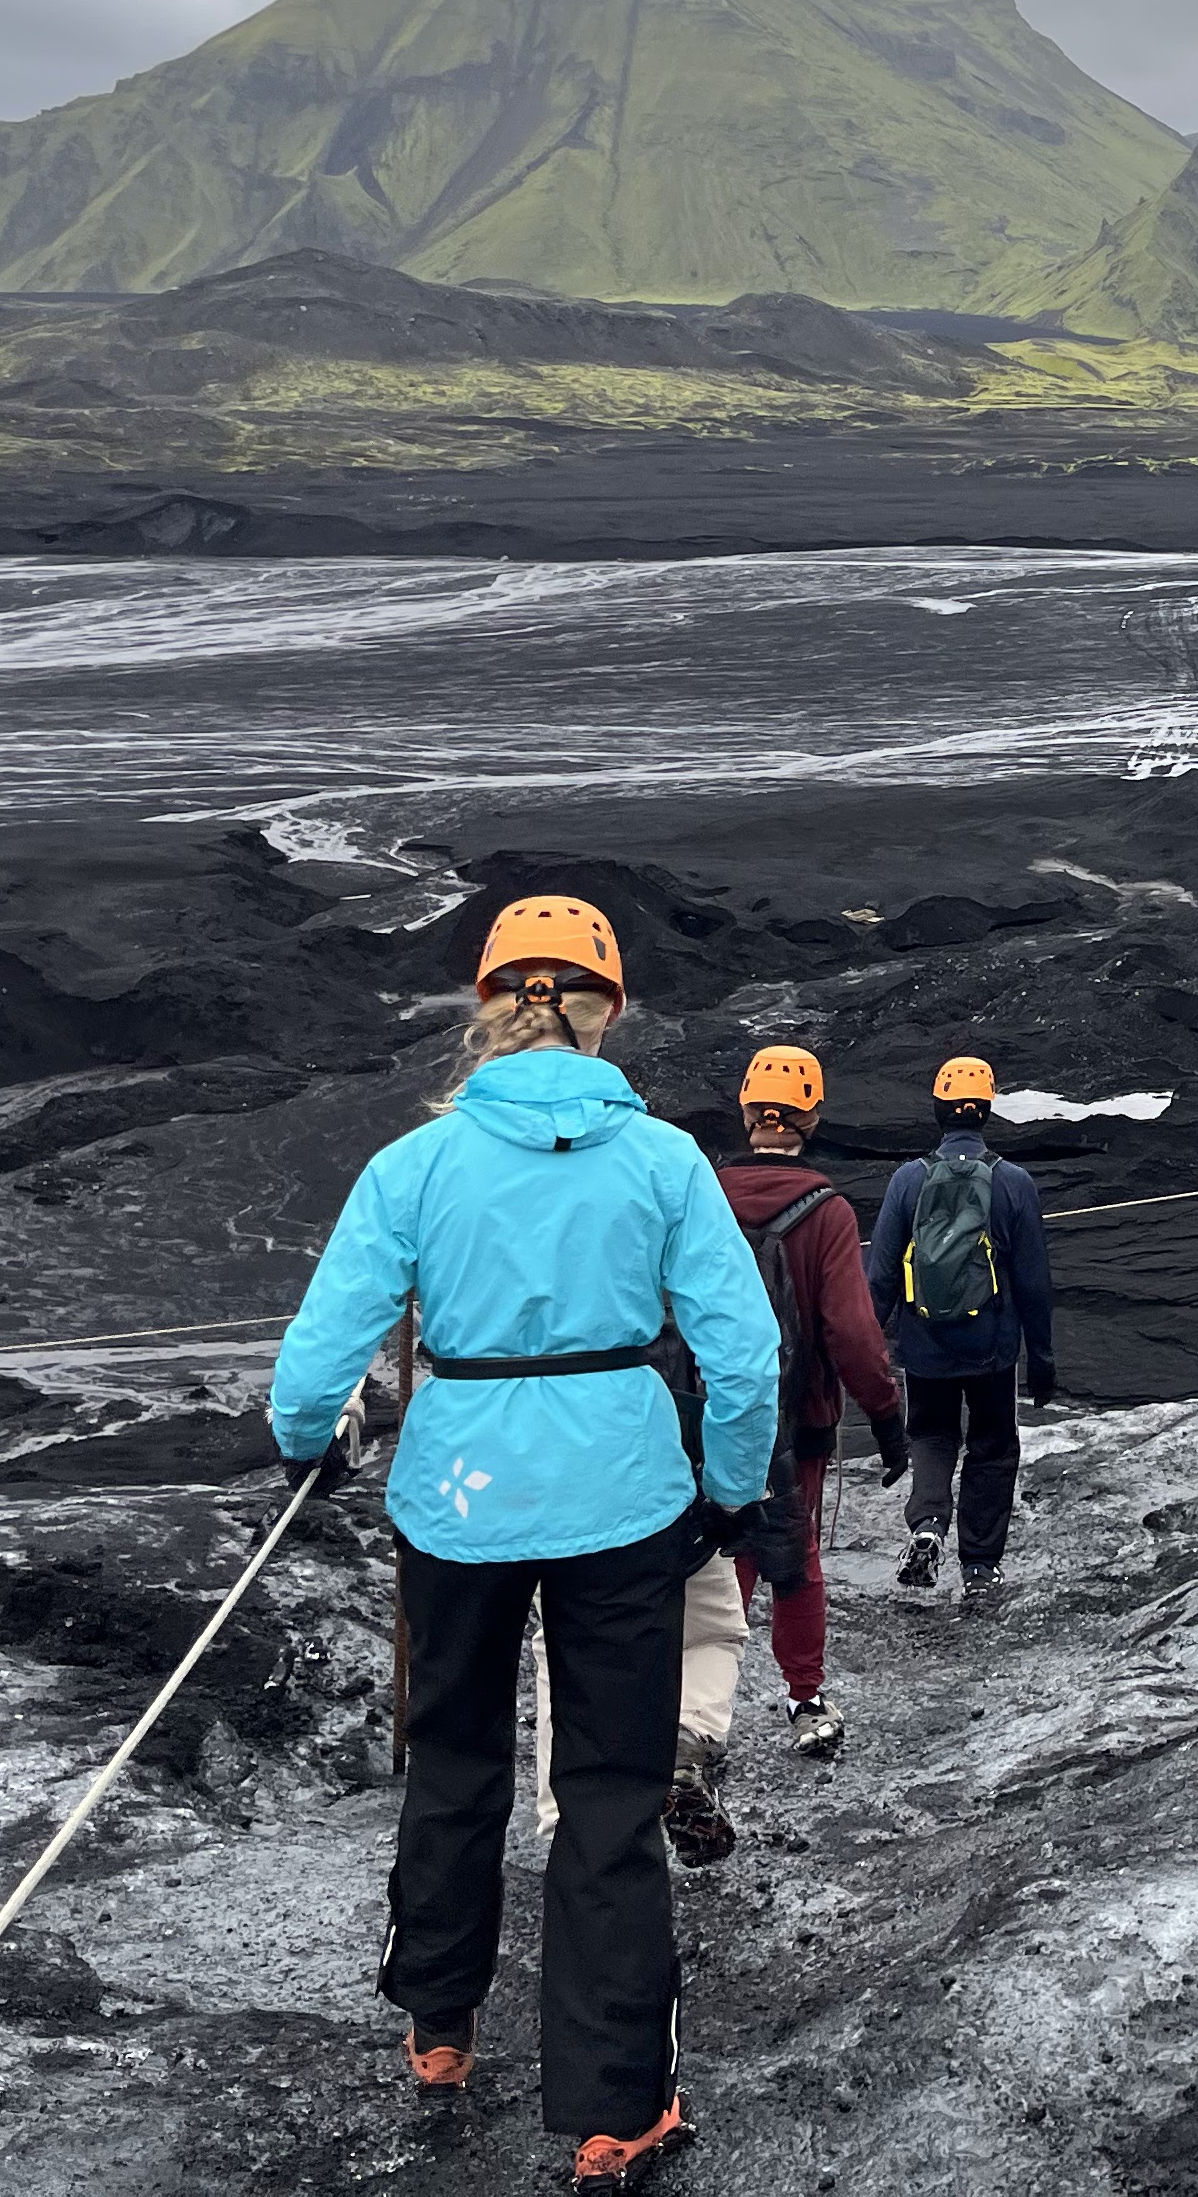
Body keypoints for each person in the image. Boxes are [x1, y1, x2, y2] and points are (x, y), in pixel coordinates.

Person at [266, 895, 779, 2189]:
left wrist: (304, 1445)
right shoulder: (664, 1163)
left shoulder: (417, 1164)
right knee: (608, 1797)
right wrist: (724, 1491)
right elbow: (744, 1354)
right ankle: (616, 2113)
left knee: (453, 1759)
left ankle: (438, 2029)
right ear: (607, 1013)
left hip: (457, 1500)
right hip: (624, 1509)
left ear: (487, 1008)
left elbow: (318, 1357)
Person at [709, 1045, 905, 1758]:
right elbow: (851, 1330)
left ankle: (696, 1703)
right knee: (794, 1559)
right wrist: (885, 1417)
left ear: (746, 1110)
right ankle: (804, 1697)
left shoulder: (700, 1195)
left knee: (710, 1557)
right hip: (801, 1420)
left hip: (699, 1413)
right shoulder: (826, 1213)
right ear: (811, 1116)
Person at [866, 1056, 1056, 1614]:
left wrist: (865, 1343)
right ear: (988, 1110)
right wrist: (1041, 1357)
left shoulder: (908, 1179)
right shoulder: (1014, 1182)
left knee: (929, 1432)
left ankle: (927, 1525)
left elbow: (879, 1271)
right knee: (992, 1447)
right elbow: (1033, 1281)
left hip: (924, 1344)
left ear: (938, 1110)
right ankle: (979, 1567)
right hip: (993, 1347)